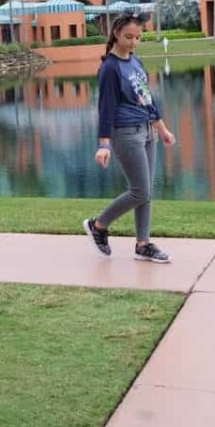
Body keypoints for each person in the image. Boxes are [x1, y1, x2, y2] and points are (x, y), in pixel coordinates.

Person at [83, 13, 177, 263]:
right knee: (140, 191)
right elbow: (106, 108)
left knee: (147, 191)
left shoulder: (136, 62)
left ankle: (143, 244)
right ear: (116, 33)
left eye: (138, 37)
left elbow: (148, 99)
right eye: (129, 37)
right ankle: (99, 225)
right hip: (126, 133)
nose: (134, 42)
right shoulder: (110, 68)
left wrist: (162, 129)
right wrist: (104, 144)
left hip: (147, 131)